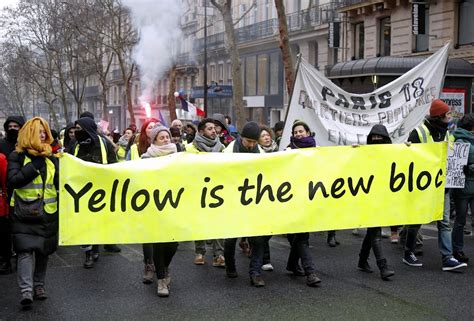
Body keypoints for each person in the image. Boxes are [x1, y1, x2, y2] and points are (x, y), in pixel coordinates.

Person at [405, 99, 466, 271]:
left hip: (441, 187)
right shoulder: (419, 133)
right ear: (439, 117)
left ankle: (447, 258)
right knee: (416, 221)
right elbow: (408, 157)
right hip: (422, 186)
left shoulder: (447, 134)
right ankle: (408, 252)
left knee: (444, 222)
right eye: (447, 114)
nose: (450, 117)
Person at [7, 117, 59, 308]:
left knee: (44, 251)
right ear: (29, 134)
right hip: (24, 214)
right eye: (39, 132)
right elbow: (13, 181)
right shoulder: (17, 156)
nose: (43, 135)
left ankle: (39, 286)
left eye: (44, 132)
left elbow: (59, 183)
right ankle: (26, 291)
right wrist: (35, 164)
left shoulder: (52, 158)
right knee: (25, 252)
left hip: (48, 213)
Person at [223, 121, 270, 287]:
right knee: (230, 239)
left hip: (254, 201)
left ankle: (255, 273)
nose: (251, 145)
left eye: (254, 142)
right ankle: (230, 266)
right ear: (241, 138)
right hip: (232, 202)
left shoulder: (261, 153)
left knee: (257, 239)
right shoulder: (228, 152)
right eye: (248, 141)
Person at [72, 116, 120, 268]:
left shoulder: (104, 144)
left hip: (101, 192)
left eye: (79, 129)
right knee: (85, 224)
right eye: (76, 129)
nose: (76, 132)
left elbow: (114, 166)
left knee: (98, 222)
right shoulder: (76, 146)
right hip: (82, 192)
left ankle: (96, 248)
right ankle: (88, 254)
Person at [141, 125, 179, 297]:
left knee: (173, 244)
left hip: (174, 205)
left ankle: (163, 266)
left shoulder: (179, 158)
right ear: (154, 140)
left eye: (167, 137)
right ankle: (162, 281)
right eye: (161, 137)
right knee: (158, 243)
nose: (166, 140)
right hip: (154, 207)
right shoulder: (145, 158)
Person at [356, 124, 395, 280]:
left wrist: (408, 149)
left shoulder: (393, 154)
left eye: (380, 138)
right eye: (374, 138)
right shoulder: (364, 154)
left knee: (372, 231)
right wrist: (353, 152)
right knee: (375, 230)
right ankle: (383, 267)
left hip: (383, 197)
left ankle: (362, 260)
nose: (377, 140)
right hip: (368, 198)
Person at [185, 119, 225, 267]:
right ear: (201, 132)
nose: (214, 131)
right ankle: (200, 252)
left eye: (214, 128)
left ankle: (219, 255)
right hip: (198, 189)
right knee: (200, 221)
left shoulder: (221, 148)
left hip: (217, 190)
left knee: (218, 221)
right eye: (209, 129)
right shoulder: (189, 148)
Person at [286, 120, 321, 287]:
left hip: (310, 197)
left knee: (301, 234)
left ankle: (292, 264)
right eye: (295, 132)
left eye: (301, 131)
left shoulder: (316, 150)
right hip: (292, 198)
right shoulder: (287, 151)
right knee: (302, 235)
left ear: (308, 132)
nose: (298, 134)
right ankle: (310, 272)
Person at [126, 118, 159, 284]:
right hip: (143, 195)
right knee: (148, 232)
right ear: (144, 130)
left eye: (156, 127)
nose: (152, 129)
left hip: (163, 195)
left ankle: (162, 266)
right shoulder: (134, 149)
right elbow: (125, 169)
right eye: (149, 127)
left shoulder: (167, 148)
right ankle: (148, 264)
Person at [0, 115, 25, 275]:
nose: (12, 129)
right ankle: (6, 258)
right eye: (10, 126)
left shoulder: (25, 145)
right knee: (4, 229)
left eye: (16, 127)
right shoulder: (1, 144)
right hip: (4, 192)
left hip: (22, 190)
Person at [451, 114, 474, 265]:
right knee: (460, 220)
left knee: (460, 220)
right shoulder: (460, 142)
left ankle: (457, 250)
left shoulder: (456, 140)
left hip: (464, 188)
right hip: (464, 188)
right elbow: (460, 167)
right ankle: (457, 250)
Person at [257, 125, 277, 272]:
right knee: (264, 227)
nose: (266, 137)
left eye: (267, 135)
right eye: (263, 136)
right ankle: (265, 259)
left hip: (277, 193)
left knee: (272, 227)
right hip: (261, 193)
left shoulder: (279, 150)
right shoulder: (256, 152)